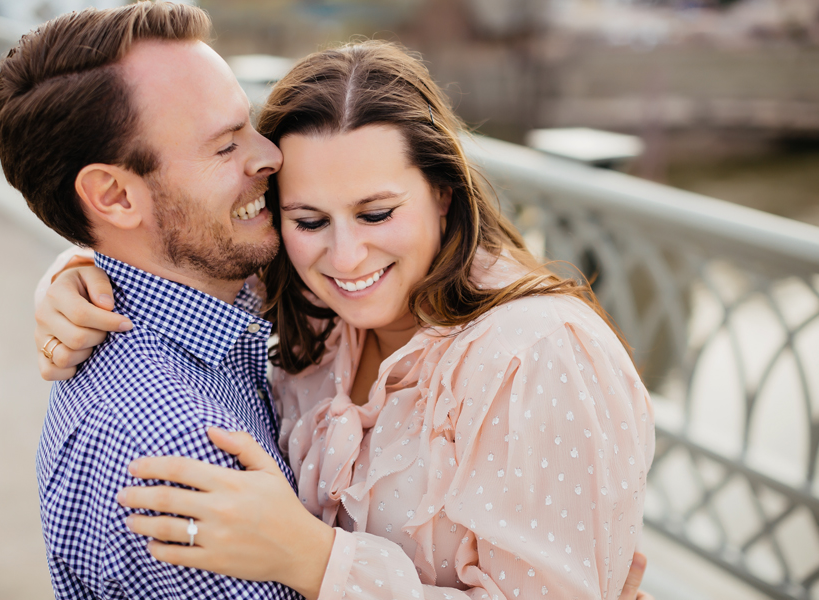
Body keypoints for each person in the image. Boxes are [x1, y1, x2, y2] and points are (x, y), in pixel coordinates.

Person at [33, 30, 655, 600]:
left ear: (442, 191)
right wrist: (78, 270)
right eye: (308, 220)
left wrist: (317, 560)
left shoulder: (536, 356)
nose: (347, 256)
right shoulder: (313, 304)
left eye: (377, 213)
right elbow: (174, 252)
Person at [0, 3, 330, 598]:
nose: (270, 155)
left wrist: (75, 265)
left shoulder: (225, 312)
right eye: (226, 147)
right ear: (116, 196)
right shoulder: (177, 452)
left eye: (248, 124)